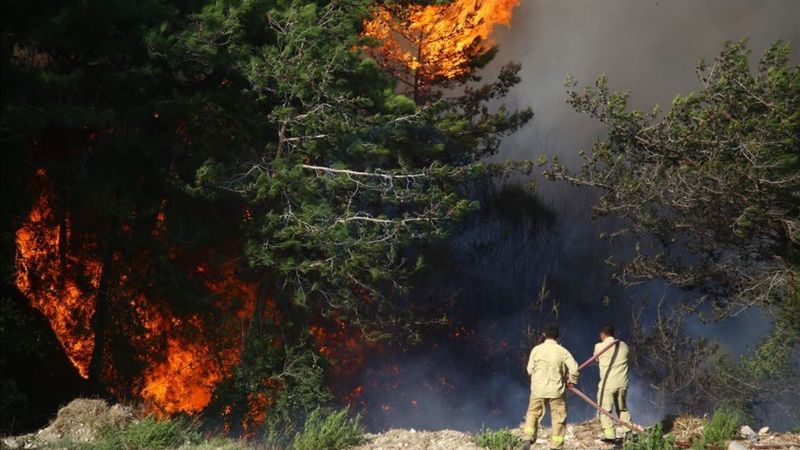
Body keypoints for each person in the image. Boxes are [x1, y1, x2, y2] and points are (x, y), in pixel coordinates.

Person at [523, 323, 579, 450]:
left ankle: (527, 438)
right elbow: (574, 369)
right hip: (557, 390)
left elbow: (529, 370)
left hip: (538, 390)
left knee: (533, 413)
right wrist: (572, 381)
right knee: (559, 418)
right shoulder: (563, 351)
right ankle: (556, 446)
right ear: (557, 337)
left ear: (544, 335)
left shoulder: (536, 350)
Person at [594, 324, 631, 442]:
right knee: (622, 408)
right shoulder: (624, 345)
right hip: (622, 383)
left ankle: (610, 435)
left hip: (607, 385)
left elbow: (595, 359)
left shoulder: (599, 347)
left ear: (602, 335)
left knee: (604, 410)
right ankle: (628, 432)